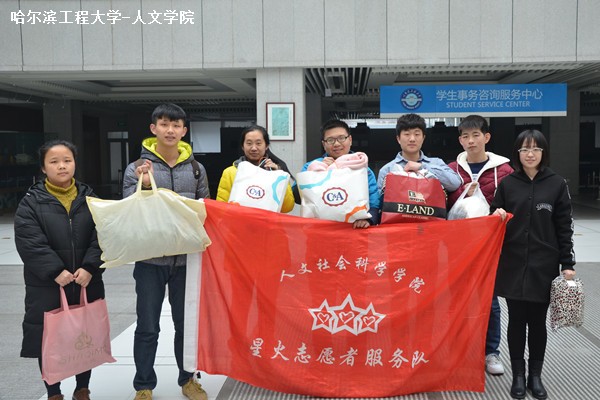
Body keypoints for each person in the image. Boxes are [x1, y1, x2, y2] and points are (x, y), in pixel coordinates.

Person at [122, 103, 210, 400]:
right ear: (153, 129)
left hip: (187, 260)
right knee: (148, 326)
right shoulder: (137, 167)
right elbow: (129, 207)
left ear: (184, 131)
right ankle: (143, 385)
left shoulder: (196, 169)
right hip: (150, 259)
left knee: (186, 326)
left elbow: (205, 210)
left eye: (176, 125)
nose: (170, 130)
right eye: (164, 124)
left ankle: (189, 380)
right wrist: (145, 185)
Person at [14, 140, 105, 400]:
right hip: (47, 285)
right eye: (54, 162)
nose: (62, 166)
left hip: (86, 280)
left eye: (67, 160)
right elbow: (29, 241)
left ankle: (82, 388)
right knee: (49, 338)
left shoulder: (90, 198)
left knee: (84, 335)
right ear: (43, 168)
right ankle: (53, 392)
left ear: (75, 163)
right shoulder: (31, 202)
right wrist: (56, 271)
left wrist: (90, 266)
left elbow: (104, 234)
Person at [491, 129, 576, 400]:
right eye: (525, 149)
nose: (530, 154)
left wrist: (567, 263)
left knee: (538, 322)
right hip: (513, 262)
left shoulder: (556, 184)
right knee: (516, 320)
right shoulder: (508, 184)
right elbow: (494, 220)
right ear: (517, 153)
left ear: (543, 152)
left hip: (544, 264)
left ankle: (535, 376)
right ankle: (518, 375)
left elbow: (564, 226)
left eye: (536, 149)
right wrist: (497, 215)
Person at [447, 115, 513, 376]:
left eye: (476, 135)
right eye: (465, 136)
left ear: (487, 137)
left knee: (489, 299)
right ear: (460, 140)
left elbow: (513, 204)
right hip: (456, 246)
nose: (471, 141)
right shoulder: (451, 169)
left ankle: (490, 352)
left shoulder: (504, 171)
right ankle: (458, 350)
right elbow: (440, 202)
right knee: (456, 298)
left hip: (489, 247)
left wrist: (501, 213)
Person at [299, 119, 380, 228]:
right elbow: (298, 196)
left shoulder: (362, 167)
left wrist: (368, 219)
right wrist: (317, 172)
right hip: (320, 229)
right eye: (330, 140)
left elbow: (374, 201)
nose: (337, 144)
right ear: (324, 144)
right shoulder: (311, 166)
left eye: (341, 138)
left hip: (354, 229)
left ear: (350, 140)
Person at [377, 113, 461, 201]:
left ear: (423, 138)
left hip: (431, 210)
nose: (412, 139)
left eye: (417, 134)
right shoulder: (387, 170)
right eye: (407, 134)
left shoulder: (437, 163)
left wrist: (422, 167)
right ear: (398, 139)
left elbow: (455, 184)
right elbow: (381, 202)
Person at [216, 125, 296, 212]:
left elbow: (287, 207)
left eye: (258, 143)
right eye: (249, 143)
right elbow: (221, 208)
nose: (254, 148)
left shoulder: (277, 173)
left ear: (266, 146)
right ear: (242, 146)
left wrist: (278, 175)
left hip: (267, 221)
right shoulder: (230, 173)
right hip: (239, 220)